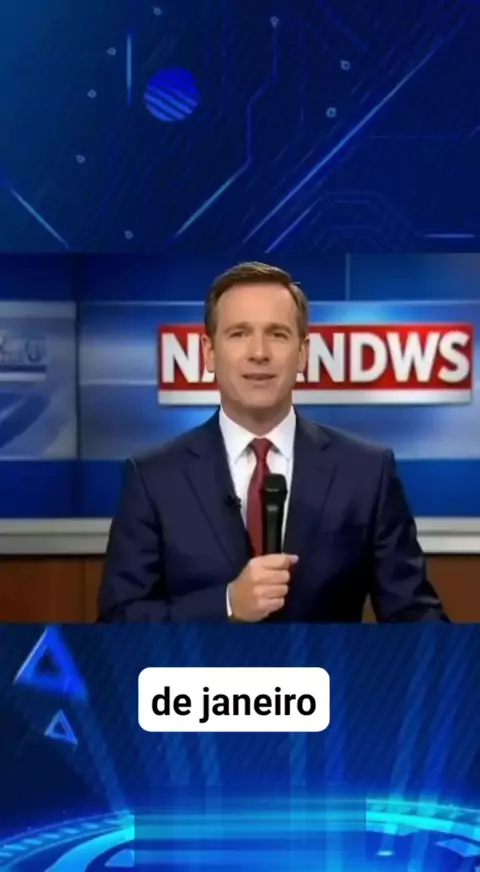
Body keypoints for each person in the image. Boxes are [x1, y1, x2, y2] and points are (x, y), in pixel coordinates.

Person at [98, 261, 448, 623]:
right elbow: (118, 620)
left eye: (277, 334)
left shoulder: (366, 472)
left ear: (303, 352)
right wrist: (227, 604)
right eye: (239, 333)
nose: (259, 352)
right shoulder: (154, 477)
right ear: (209, 352)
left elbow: (416, 617)